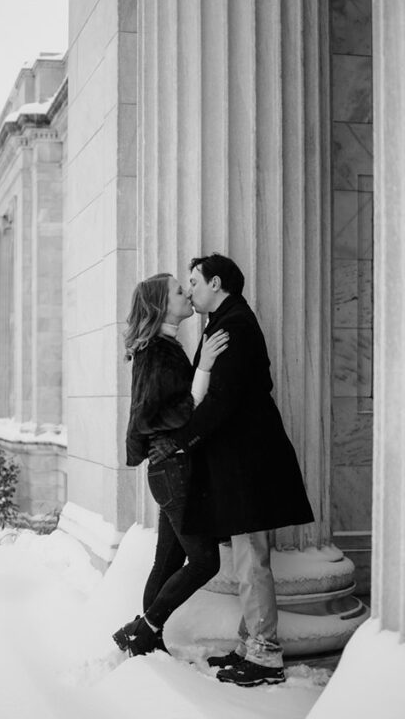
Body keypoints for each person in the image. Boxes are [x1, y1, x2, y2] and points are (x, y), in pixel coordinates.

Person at [149, 253, 314, 687]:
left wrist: (181, 439)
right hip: (241, 461)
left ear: (216, 283)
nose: (190, 289)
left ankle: (264, 654)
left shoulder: (234, 325)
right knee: (248, 555)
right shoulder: (225, 322)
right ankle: (250, 644)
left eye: (194, 281)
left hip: (248, 462)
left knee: (252, 557)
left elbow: (223, 401)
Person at [111, 273, 229, 657]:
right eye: (180, 291)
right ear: (162, 305)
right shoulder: (159, 351)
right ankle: (142, 629)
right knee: (205, 560)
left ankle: (146, 645)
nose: (188, 293)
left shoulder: (162, 347)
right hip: (172, 471)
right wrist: (206, 367)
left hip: (171, 470)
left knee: (168, 561)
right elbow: (173, 412)